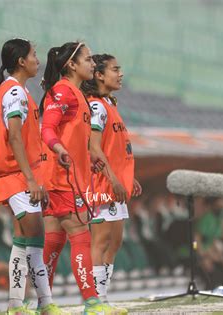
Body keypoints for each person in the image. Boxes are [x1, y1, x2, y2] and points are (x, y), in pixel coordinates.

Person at [0, 38, 65, 315]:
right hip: (18, 176)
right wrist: (31, 179)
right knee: (35, 238)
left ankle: (17, 306)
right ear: (21, 61)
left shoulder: (17, 91)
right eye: (33, 55)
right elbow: (15, 137)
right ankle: (44, 303)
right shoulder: (15, 93)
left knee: (23, 241)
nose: (37, 59)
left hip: (20, 175)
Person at [40, 41, 121, 315]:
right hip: (62, 177)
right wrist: (58, 148)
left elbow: (76, 138)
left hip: (68, 175)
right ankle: (92, 302)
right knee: (81, 237)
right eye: (87, 59)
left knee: (54, 240)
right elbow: (48, 128)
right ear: (71, 65)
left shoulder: (77, 94)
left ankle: (43, 302)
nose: (92, 64)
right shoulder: (63, 92)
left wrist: (90, 157)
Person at [81, 54, 141, 307]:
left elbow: (114, 147)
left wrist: (129, 177)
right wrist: (114, 178)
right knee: (101, 241)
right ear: (99, 75)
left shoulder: (108, 104)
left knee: (114, 242)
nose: (121, 74)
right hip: (102, 183)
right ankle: (95, 301)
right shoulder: (95, 106)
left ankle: (103, 296)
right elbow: (94, 148)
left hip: (116, 183)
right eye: (116, 69)